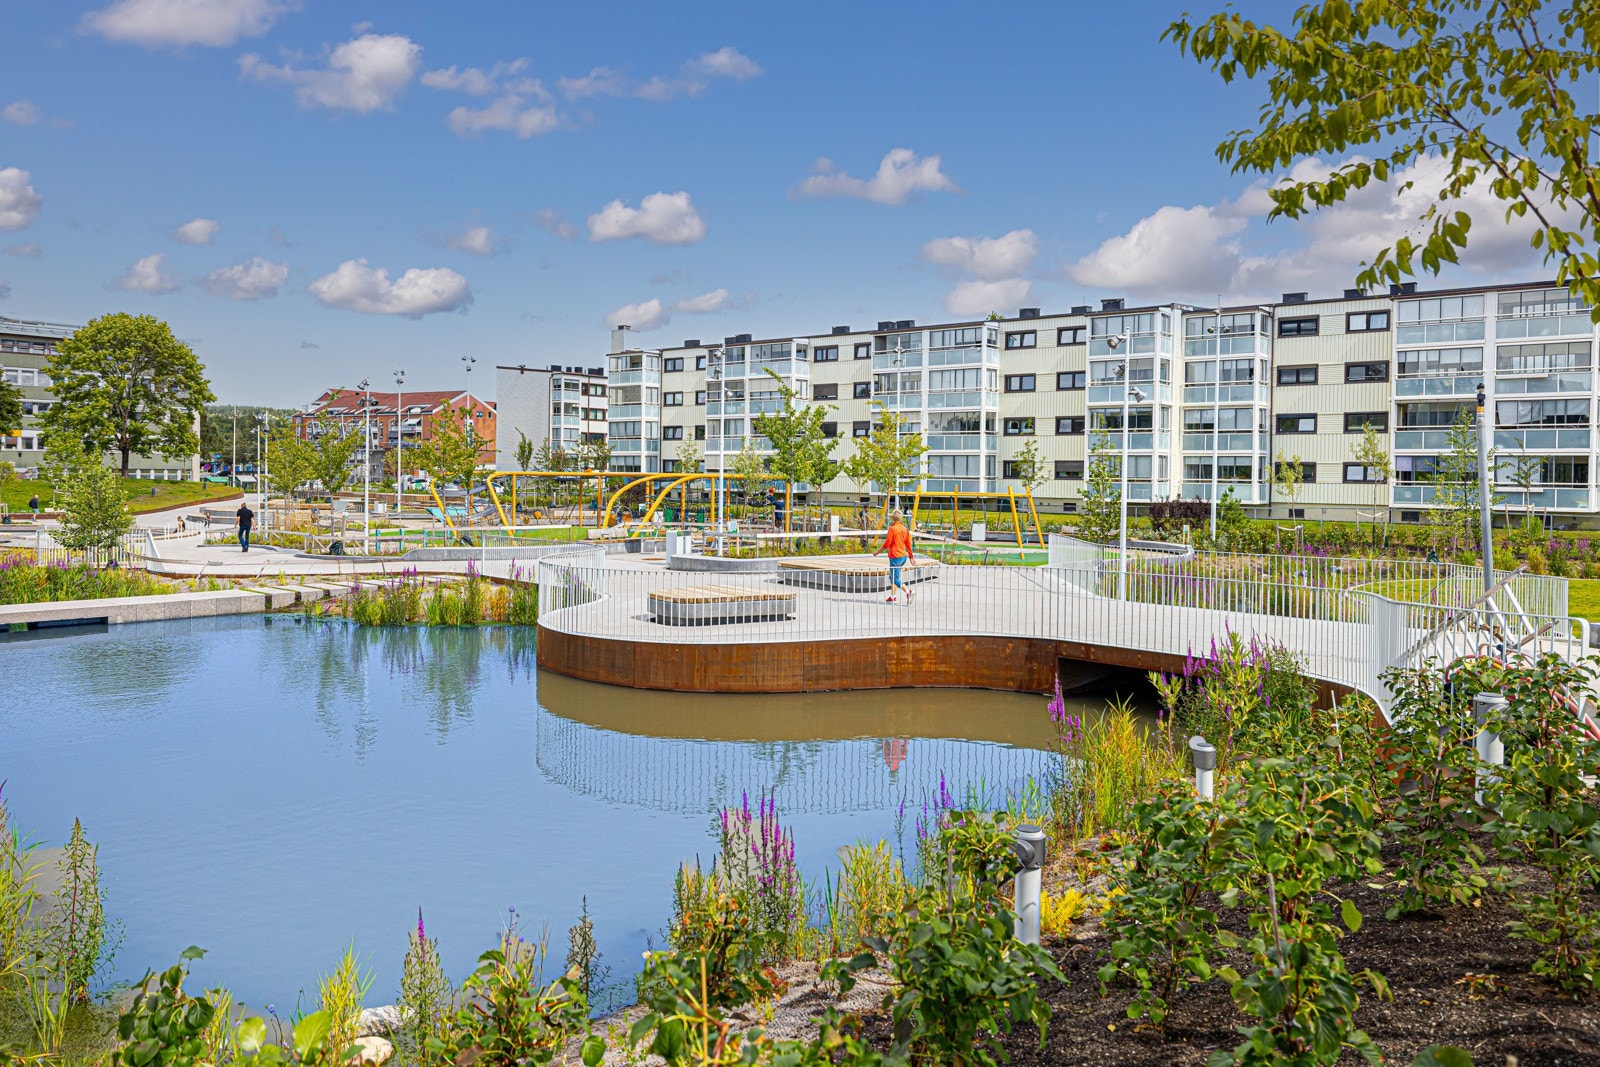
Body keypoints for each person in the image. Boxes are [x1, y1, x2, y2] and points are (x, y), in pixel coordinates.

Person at [872, 509, 916, 604]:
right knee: (894, 577)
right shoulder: (904, 529)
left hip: (895, 556)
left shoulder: (892, 529)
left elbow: (887, 543)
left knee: (894, 578)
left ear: (892, 518)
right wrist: (911, 556)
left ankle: (909, 592)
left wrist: (877, 552)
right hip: (903, 556)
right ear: (901, 518)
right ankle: (893, 597)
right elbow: (908, 544)